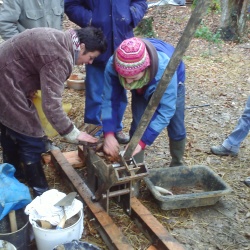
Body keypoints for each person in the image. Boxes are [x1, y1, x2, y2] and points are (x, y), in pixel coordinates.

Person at [0, 26, 107, 196]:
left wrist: (27, 83)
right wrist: (73, 133)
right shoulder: (61, 58)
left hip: (7, 74)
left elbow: (28, 60)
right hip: (5, 82)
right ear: (82, 47)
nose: (90, 62)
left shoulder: (60, 38)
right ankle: (41, 192)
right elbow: (51, 106)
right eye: (91, 57)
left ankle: (14, 174)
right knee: (31, 137)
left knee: (10, 128)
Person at [64, 0, 148, 143]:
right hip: (97, 43)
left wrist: (131, 14)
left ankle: (115, 128)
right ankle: (94, 129)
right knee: (95, 93)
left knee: (120, 91)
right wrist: (90, 19)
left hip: (122, 42)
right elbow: (71, 5)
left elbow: (141, 2)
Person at [102, 37, 186, 167]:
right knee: (138, 123)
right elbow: (109, 100)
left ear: (145, 68)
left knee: (176, 127)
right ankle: (135, 166)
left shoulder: (167, 69)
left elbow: (166, 110)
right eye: (123, 77)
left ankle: (177, 163)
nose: (128, 83)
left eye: (133, 78)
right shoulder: (113, 64)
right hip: (142, 83)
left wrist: (143, 142)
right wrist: (108, 133)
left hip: (172, 80)